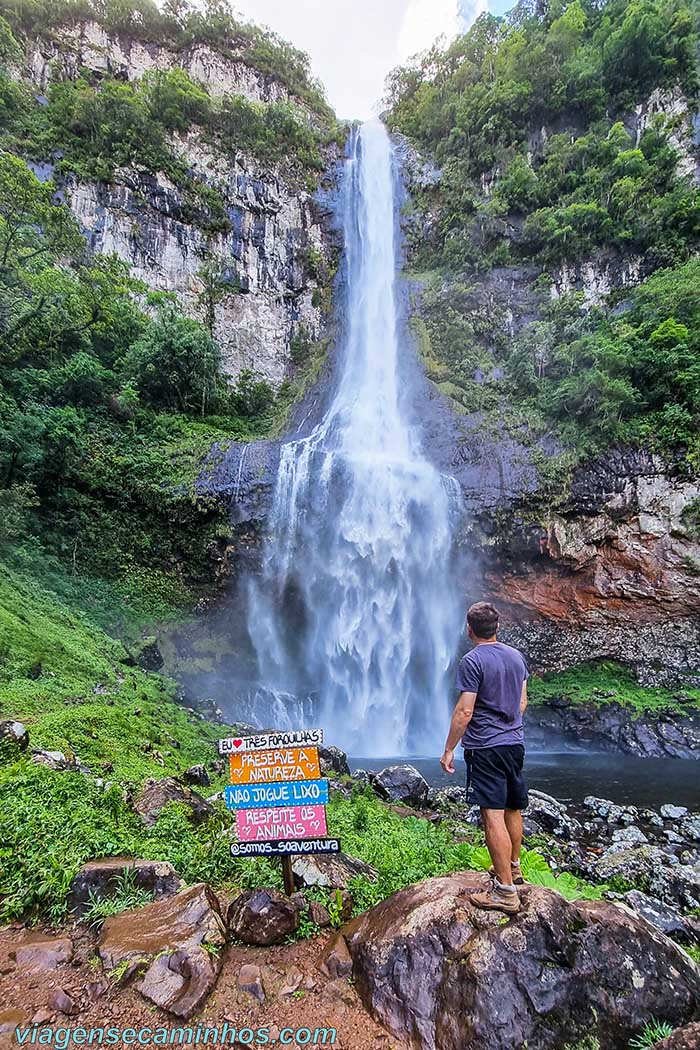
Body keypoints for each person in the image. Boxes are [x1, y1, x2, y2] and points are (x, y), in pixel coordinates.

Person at [440, 600, 529, 914]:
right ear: (498, 626)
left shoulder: (472, 660)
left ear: (469, 629)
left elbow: (465, 710)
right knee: (512, 807)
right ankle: (514, 869)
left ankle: (505, 892)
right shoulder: (517, 657)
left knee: (491, 814)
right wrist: (508, 727)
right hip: (513, 743)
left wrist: (450, 747)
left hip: (487, 747)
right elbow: (521, 703)